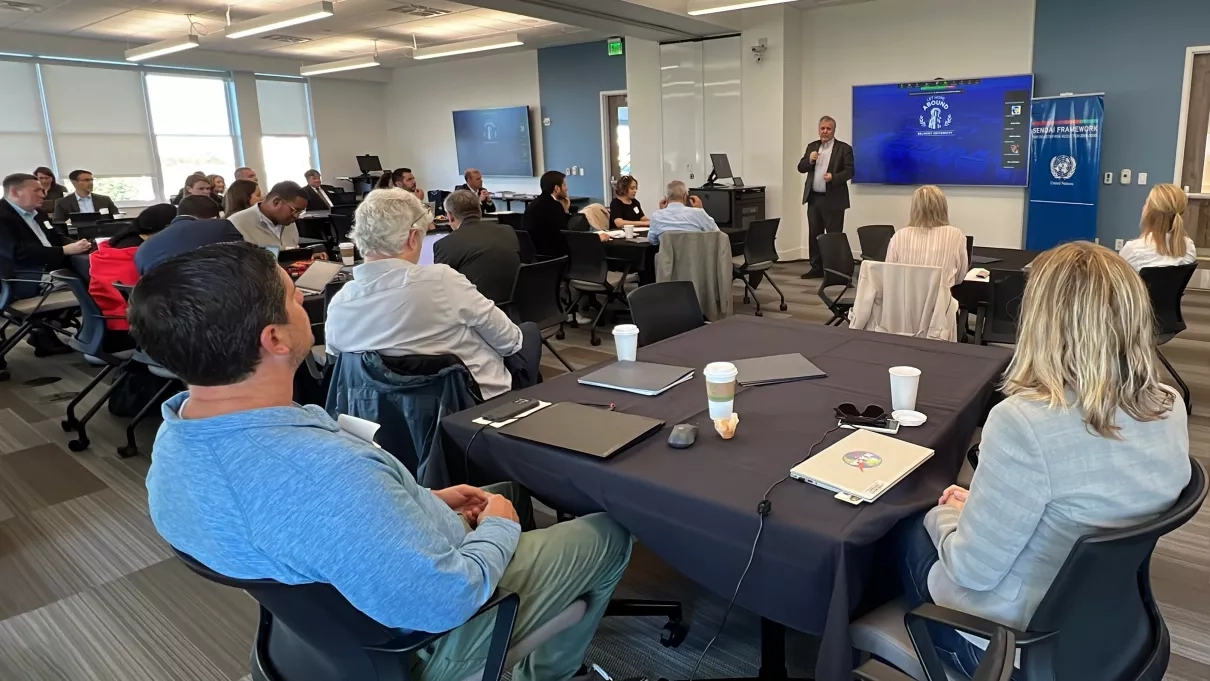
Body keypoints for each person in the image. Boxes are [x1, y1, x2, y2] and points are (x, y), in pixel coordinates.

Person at [129, 240, 631, 681]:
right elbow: (445, 600)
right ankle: (552, 673)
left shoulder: (176, 441)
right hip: (428, 636)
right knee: (609, 531)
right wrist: (499, 530)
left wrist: (421, 498)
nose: (305, 301)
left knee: (504, 492)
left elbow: (310, 524)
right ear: (275, 339)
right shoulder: (325, 475)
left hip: (330, 626)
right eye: (292, 296)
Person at [896, 240, 1191, 678]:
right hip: (1113, 625)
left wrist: (946, 518)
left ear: (1042, 321)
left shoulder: (1023, 423)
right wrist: (978, 507)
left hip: (1015, 645)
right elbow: (1080, 494)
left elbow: (971, 571)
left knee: (903, 524)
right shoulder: (1169, 405)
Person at [326, 189, 535, 400]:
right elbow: (509, 341)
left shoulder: (338, 306)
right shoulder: (442, 281)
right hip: (472, 406)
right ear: (413, 237)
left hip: (385, 419)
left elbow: (340, 365)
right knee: (529, 334)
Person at [0, 173, 91, 354]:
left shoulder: (38, 213)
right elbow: (18, 254)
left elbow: (54, 237)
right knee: (88, 286)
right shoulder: (2, 217)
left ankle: (44, 330)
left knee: (92, 275)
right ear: (14, 192)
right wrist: (64, 251)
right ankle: (91, 338)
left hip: (50, 269)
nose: (43, 195)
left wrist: (76, 245)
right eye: (36, 190)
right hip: (22, 279)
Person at [88, 203, 176, 338]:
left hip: (104, 321)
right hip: (132, 326)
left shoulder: (116, 244)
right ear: (166, 227)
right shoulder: (143, 254)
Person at [433, 190, 521, 306]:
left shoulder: (445, 244)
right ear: (479, 210)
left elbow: (440, 289)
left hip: (475, 312)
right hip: (514, 305)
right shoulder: (508, 231)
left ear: (450, 216)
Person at [798, 115, 855, 279]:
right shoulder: (812, 147)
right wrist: (809, 160)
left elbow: (850, 171)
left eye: (828, 129)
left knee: (833, 236)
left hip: (834, 199)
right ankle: (816, 268)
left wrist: (834, 177)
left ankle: (835, 271)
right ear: (819, 129)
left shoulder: (844, 149)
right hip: (814, 199)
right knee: (814, 234)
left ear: (834, 130)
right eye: (822, 128)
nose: (825, 132)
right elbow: (801, 167)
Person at [136, 196, 242, 276]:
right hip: (212, 298)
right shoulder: (221, 226)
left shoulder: (143, 249)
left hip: (160, 303)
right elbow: (246, 261)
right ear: (213, 217)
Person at [885, 185, 969, 286]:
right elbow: (960, 277)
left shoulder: (899, 236)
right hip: (941, 300)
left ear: (914, 208)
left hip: (905, 300)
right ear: (943, 207)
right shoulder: (956, 235)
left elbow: (890, 275)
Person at [1120, 183, 1197, 271]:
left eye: (1146, 203)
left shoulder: (1133, 250)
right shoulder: (1189, 247)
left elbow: (1118, 282)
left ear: (1149, 212)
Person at [227, 181, 308, 249]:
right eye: (295, 210)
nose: (296, 216)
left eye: (300, 212)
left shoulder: (288, 221)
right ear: (276, 202)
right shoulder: (236, 223)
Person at [647, 180, 720, 246]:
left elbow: (652, 240)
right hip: (695, 259)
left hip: (668, 260)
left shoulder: (657, 216)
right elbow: (716, 233)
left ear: (667, 198)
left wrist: (662, 211)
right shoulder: (698, 213)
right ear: (685, 196)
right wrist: (701, 210)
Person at [522, 170, 571, 257]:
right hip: (553, 255)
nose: (566, 188)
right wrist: (565, 211)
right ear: (557, 188)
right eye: (564, 185)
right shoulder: (554, 206)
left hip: (534, 254)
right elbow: (565, 234)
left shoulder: (533, 203)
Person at [53, 169, 119, 222]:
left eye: (91, 180)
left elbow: (117, 218)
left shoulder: (104, 200)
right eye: (86, 180)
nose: (91, 183)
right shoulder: (62, 202)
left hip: (103, 232)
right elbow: (58, 224)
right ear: (74, 182)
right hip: (77, 235)